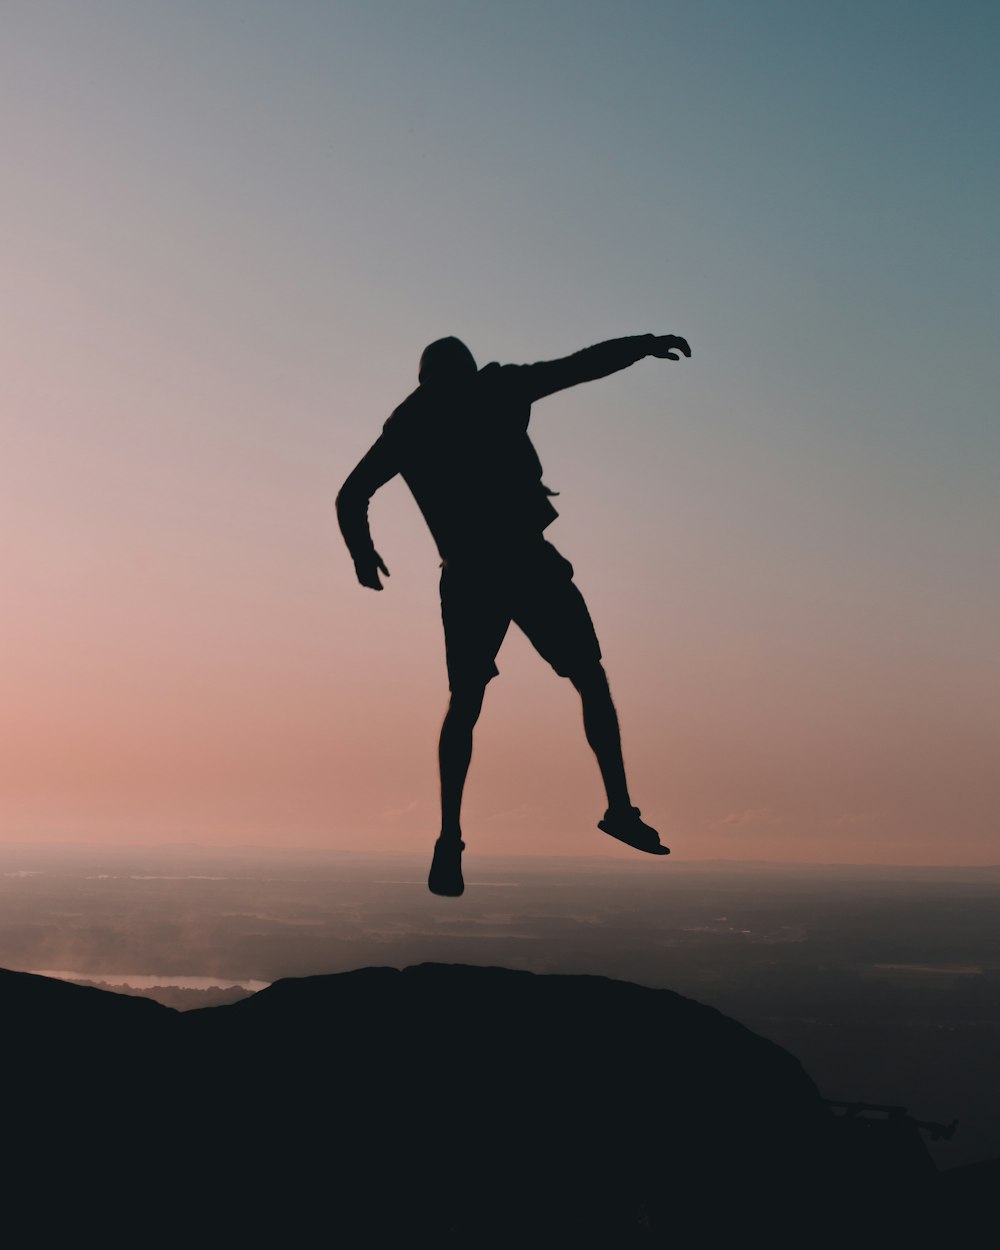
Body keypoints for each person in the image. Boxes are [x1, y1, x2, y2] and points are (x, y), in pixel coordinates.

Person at [337, 332, 691, 896]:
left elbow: (350, 495)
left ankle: (453, 836)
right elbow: (578, 366)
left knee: (474, 702)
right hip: (521, 563)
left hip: (477, 574)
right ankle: (615, 808)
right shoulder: (489, 391)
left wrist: (362, 552)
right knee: (583, 681)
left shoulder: (416, 421)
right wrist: (642, 345)